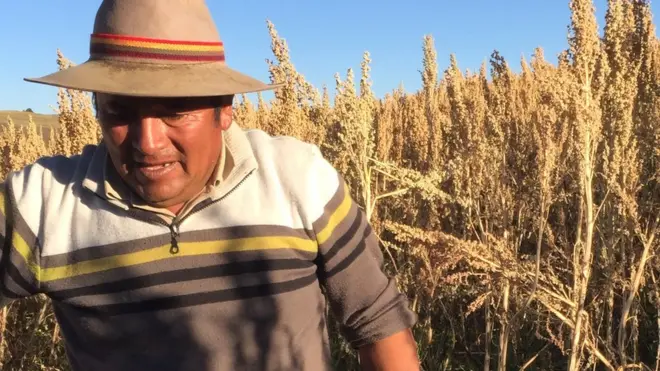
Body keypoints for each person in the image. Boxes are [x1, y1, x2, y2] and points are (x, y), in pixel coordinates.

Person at [2, 0, 420, 370]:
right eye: (119, 111)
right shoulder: (41, 205)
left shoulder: (299, 179)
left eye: (175, 113)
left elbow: (378, 325)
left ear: (225, 111)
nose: (147, 143)